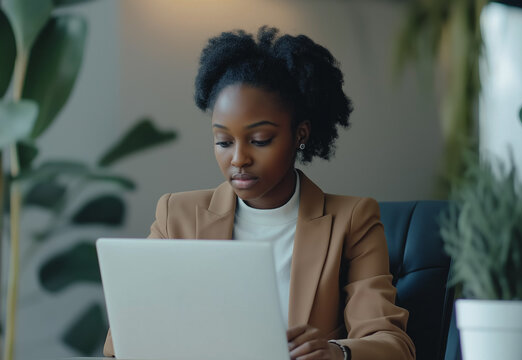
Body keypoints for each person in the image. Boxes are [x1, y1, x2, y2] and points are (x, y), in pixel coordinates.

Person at [103, 26, 415, 360]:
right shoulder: (176, 215)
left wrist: (336, 353)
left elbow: (394, 345)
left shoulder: (351, 221)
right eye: (223, 141)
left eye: (260, 139)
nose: (238, 159)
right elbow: (121, 343)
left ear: (301, 134)